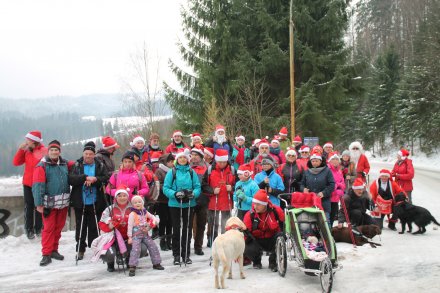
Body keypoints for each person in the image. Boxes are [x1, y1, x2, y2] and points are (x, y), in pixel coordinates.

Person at [32, 140, 73, 266]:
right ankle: (46, 254)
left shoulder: (65, 164)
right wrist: (39, 204)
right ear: (48, 152)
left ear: (59, 152)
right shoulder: (42, 166)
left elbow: (77, 166)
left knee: (58, 227)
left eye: (56, 150)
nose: (54, 152)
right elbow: (38, 185)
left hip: (63, 202)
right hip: (48, 204)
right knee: (49, 228)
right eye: (52, 150)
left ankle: (54, 250)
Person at [69, 141, 110, 261]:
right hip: (80, 201)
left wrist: (95, 179)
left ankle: (94, 248)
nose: (88, 156)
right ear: (83, 154)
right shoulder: (77, 165)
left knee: (94, 227)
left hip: (95, 201)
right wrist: (84, 178)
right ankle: (80, 249)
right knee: (81, 227)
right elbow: (71, 179)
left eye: (90, 154)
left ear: (94, 154)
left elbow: (106, 178)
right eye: (86, 154)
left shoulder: (100, 165)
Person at [163, 149, 201, 265]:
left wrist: (194, 194)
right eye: (180, 158)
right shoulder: (172, 172)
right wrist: (174, 194)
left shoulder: (191, 172)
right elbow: (165, 188)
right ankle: (176, 255)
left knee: (187, 230)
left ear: (188, 159)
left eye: (184, 158)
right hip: (175, 204)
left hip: (189, 204)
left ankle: (186, 255)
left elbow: (197, 186)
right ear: (177, 160)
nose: (183, 159)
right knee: (177, 229)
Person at [12, 130, 47, 239]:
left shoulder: (43, 151)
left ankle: (38, 229)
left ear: (34, 141)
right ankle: (29, 230)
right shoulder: (26, 151)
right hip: (27, 183)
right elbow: (16, 162)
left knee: (39, 206)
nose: (26, 142)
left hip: (39, 184)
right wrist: (21, 150)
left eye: (28, 140)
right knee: (28, 206)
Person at [243, 190, 285, 271]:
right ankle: (256, 261)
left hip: (272, 239)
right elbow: (245, 234)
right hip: (257, 240)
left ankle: (273, 262)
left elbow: (285, 222)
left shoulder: (276, 211)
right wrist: (242, 252)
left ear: (265, 204)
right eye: (254, 203)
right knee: (247, 244)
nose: (255, 206)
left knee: (281, 236)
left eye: (258, 204)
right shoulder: (250, 215)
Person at [203, 149, 235, 247]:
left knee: (226, 223)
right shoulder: (209, 170)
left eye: (224, 162)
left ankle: (225, 241)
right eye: (220, 162)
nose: (222, 164)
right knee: (213, 222)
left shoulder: (232, 170)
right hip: (213, 201)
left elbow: (239, 184)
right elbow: (203, 185)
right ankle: (212, 240)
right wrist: (212, 190)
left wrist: (232, 188)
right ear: (216, 161)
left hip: (227, 201)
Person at [97, 184, 132, 272]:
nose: (122, 198)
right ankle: (110, 262)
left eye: (124, 196)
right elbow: (101, 223)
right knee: (108, 253)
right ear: (116, 197)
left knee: (140, 248)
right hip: (113, 238)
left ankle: (129, 260)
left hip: (129, 237)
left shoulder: (133, 208)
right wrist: (110, 226)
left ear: (127, 197)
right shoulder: (109, 209)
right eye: (119, 196)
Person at [127, 195, 164, 276]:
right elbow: (129, 226)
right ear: (132, 204)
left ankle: (156, 263)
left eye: (139, 202)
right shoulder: (132, 214)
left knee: (153, 246)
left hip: (145, 234)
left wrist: (153, 222)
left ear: (142, 203)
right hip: (136, 234)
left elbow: (153, 218)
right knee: (136, 249)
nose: (137, 204)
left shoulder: (145, 212)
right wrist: (129, 237)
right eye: (135, 202)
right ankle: (132, 266)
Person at [300, 151, 335, 226]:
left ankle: (327, 237)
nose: (314, 163)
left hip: (324, 202)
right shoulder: (307, 172)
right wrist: (303, 189)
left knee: (325, 222)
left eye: (316, 161)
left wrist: (324, 193)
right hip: (310, 201)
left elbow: (332, 184)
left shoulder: (327, 171)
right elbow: (302, 184)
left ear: (320, 161)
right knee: (310, 222)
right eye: (313, 161)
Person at [154, 153, 175, 251]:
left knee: (171, 220)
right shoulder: (159, 171)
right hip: (162, 200)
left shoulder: (174, 170)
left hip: (171, 200)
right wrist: (169, 189)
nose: (171, 163)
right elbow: (158, 184)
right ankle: (162, 242)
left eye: (172, 161)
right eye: (169, 161)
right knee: (163, 221)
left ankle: (169, 241)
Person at [190, 148, 208, 255]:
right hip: (190, 199)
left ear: (201, 156)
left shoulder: (207, 168)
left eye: (196, 155)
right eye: (192, 155)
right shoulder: (187, 167)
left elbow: (209, 183)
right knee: (189, 224)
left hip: (203, 199)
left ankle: (198, 246)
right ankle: (187, 245)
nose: (194, 157)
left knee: (201, 224)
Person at [327, 152, 345, 227]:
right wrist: (337, 186)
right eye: (333, 159)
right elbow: (329, 184)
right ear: (330, 161)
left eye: (336, 159)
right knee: (327, 217)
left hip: (336, 198)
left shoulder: (339, 171)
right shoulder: (327, 170)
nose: (335, 161)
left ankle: (330, 231)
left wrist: (340, 188)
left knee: (333, 216)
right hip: (328, 197)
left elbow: (343, 184)